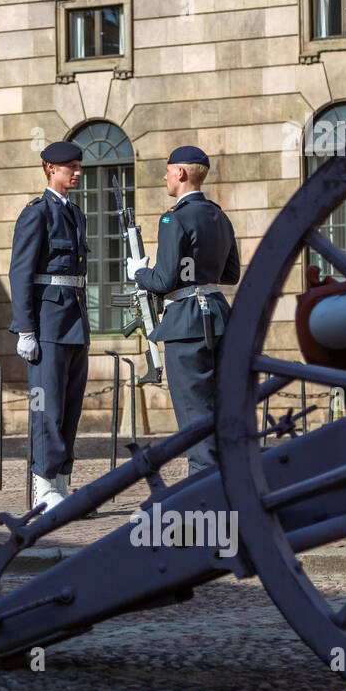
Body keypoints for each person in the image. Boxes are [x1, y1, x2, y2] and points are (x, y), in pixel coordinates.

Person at [126, 145, 239, 477]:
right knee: (220, 410)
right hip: (218, 316)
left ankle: (205, 491)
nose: (164, 175)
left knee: (194, 414)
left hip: (186, 323)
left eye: (167, 169)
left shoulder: (173, 217)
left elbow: (163, 279)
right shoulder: (219, 215)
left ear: (181, 173)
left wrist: (139, 273)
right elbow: (231, 275)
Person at [9, 140, 90, 512]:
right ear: (49, 168)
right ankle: (43, 485)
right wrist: (25, 329)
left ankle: (60, 481)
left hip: (74, 320)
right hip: (47, 323)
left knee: (70, 408)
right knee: (47, 408)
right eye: (69, 166)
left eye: (78, 165)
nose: (76, 172)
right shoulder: (36, 212)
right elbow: (21, 272)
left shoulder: (75, 213)